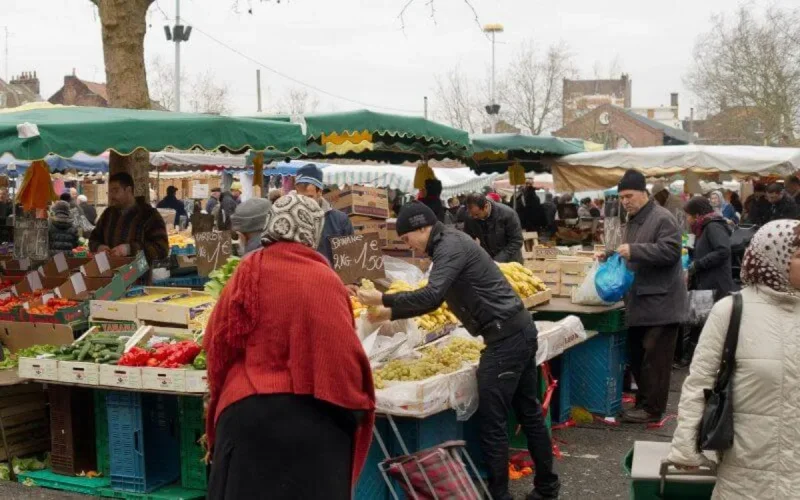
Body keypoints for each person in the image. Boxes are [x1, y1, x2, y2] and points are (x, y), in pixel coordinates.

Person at [357, 202, 560, 500]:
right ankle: (547, 488)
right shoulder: (449, 243)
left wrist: (383, 298)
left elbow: (431, 294)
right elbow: (435, 301)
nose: (407, 245)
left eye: (406, 237)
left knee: (494, 423)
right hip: (517, 330)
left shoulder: (449, 246)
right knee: (528, 411)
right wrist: (388, 315)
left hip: (504, 338)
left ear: (423, 227)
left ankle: (502, 496)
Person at [204, 194, 375, 500]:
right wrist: (357, 407)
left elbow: (217, 344)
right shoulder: (323, 278)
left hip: (246, 416)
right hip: (311, 426)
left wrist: (218, 402)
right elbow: (342, 357)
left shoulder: (246, 271)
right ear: (313, 231)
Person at [667, 219, 800, 499]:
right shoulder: (731, 311)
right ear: (773, 257)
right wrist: (685, 447)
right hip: (746, 476)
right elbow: (700, 382)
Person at [602, 170, 687, 424]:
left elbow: (671, 251)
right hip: (640, 299)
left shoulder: (663, 218)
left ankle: (653, 409)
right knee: (638, 356)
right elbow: (630, 253)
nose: (625, 201)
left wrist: (634, 250)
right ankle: (643, 403)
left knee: (655, 360)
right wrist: (611, 255)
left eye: (629, 196)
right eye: (621, 197)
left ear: (644, 193)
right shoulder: (633, 220)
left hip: (661, 302)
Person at [677, 196, 738, 366]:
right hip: (707, 282)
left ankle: (698, 359)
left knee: (707, 322)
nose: (687, 220)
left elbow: (723, 251)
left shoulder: (713, 226)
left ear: (697, 215)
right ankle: (691, 358)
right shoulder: (705, 227)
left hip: (715, 283)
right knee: (700, 320)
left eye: (688, 215)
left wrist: (698, 264)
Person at [89, 172, 169, 265]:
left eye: (115, 191)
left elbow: (162, 249)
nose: (111, 196)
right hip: (110, 275)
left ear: (128, 190)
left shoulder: (149, 215)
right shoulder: (108, 214)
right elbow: (93, 239)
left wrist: (129, 249)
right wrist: (99, 247)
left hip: (139, 277)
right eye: (109, 192)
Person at [293, 164, 354, 264]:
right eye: (301, 197)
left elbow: (351, 257)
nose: (304, 202)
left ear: (319, 192)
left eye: (310, 197)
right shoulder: (289, 218)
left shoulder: (340, 221)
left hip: (329, 277)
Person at [463, 193, 524, 263]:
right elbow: (467, 239)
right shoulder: (470, 217)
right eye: (471, 214)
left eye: (477, 214)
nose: (474, 217)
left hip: (511, 261)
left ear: (485, 207)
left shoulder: (508, 214)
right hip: (489, 260)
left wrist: (499, 259)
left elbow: (516, 241)